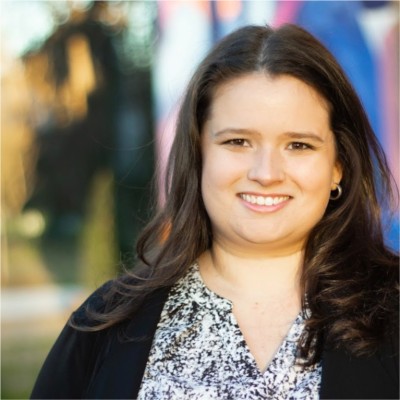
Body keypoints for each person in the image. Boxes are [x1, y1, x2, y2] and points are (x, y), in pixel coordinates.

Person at [31, 24, 399, 400]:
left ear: (338, 165)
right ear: (199, 153)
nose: (266, 173)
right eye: (238, 141)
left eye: (298, 145)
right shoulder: (106, 324)